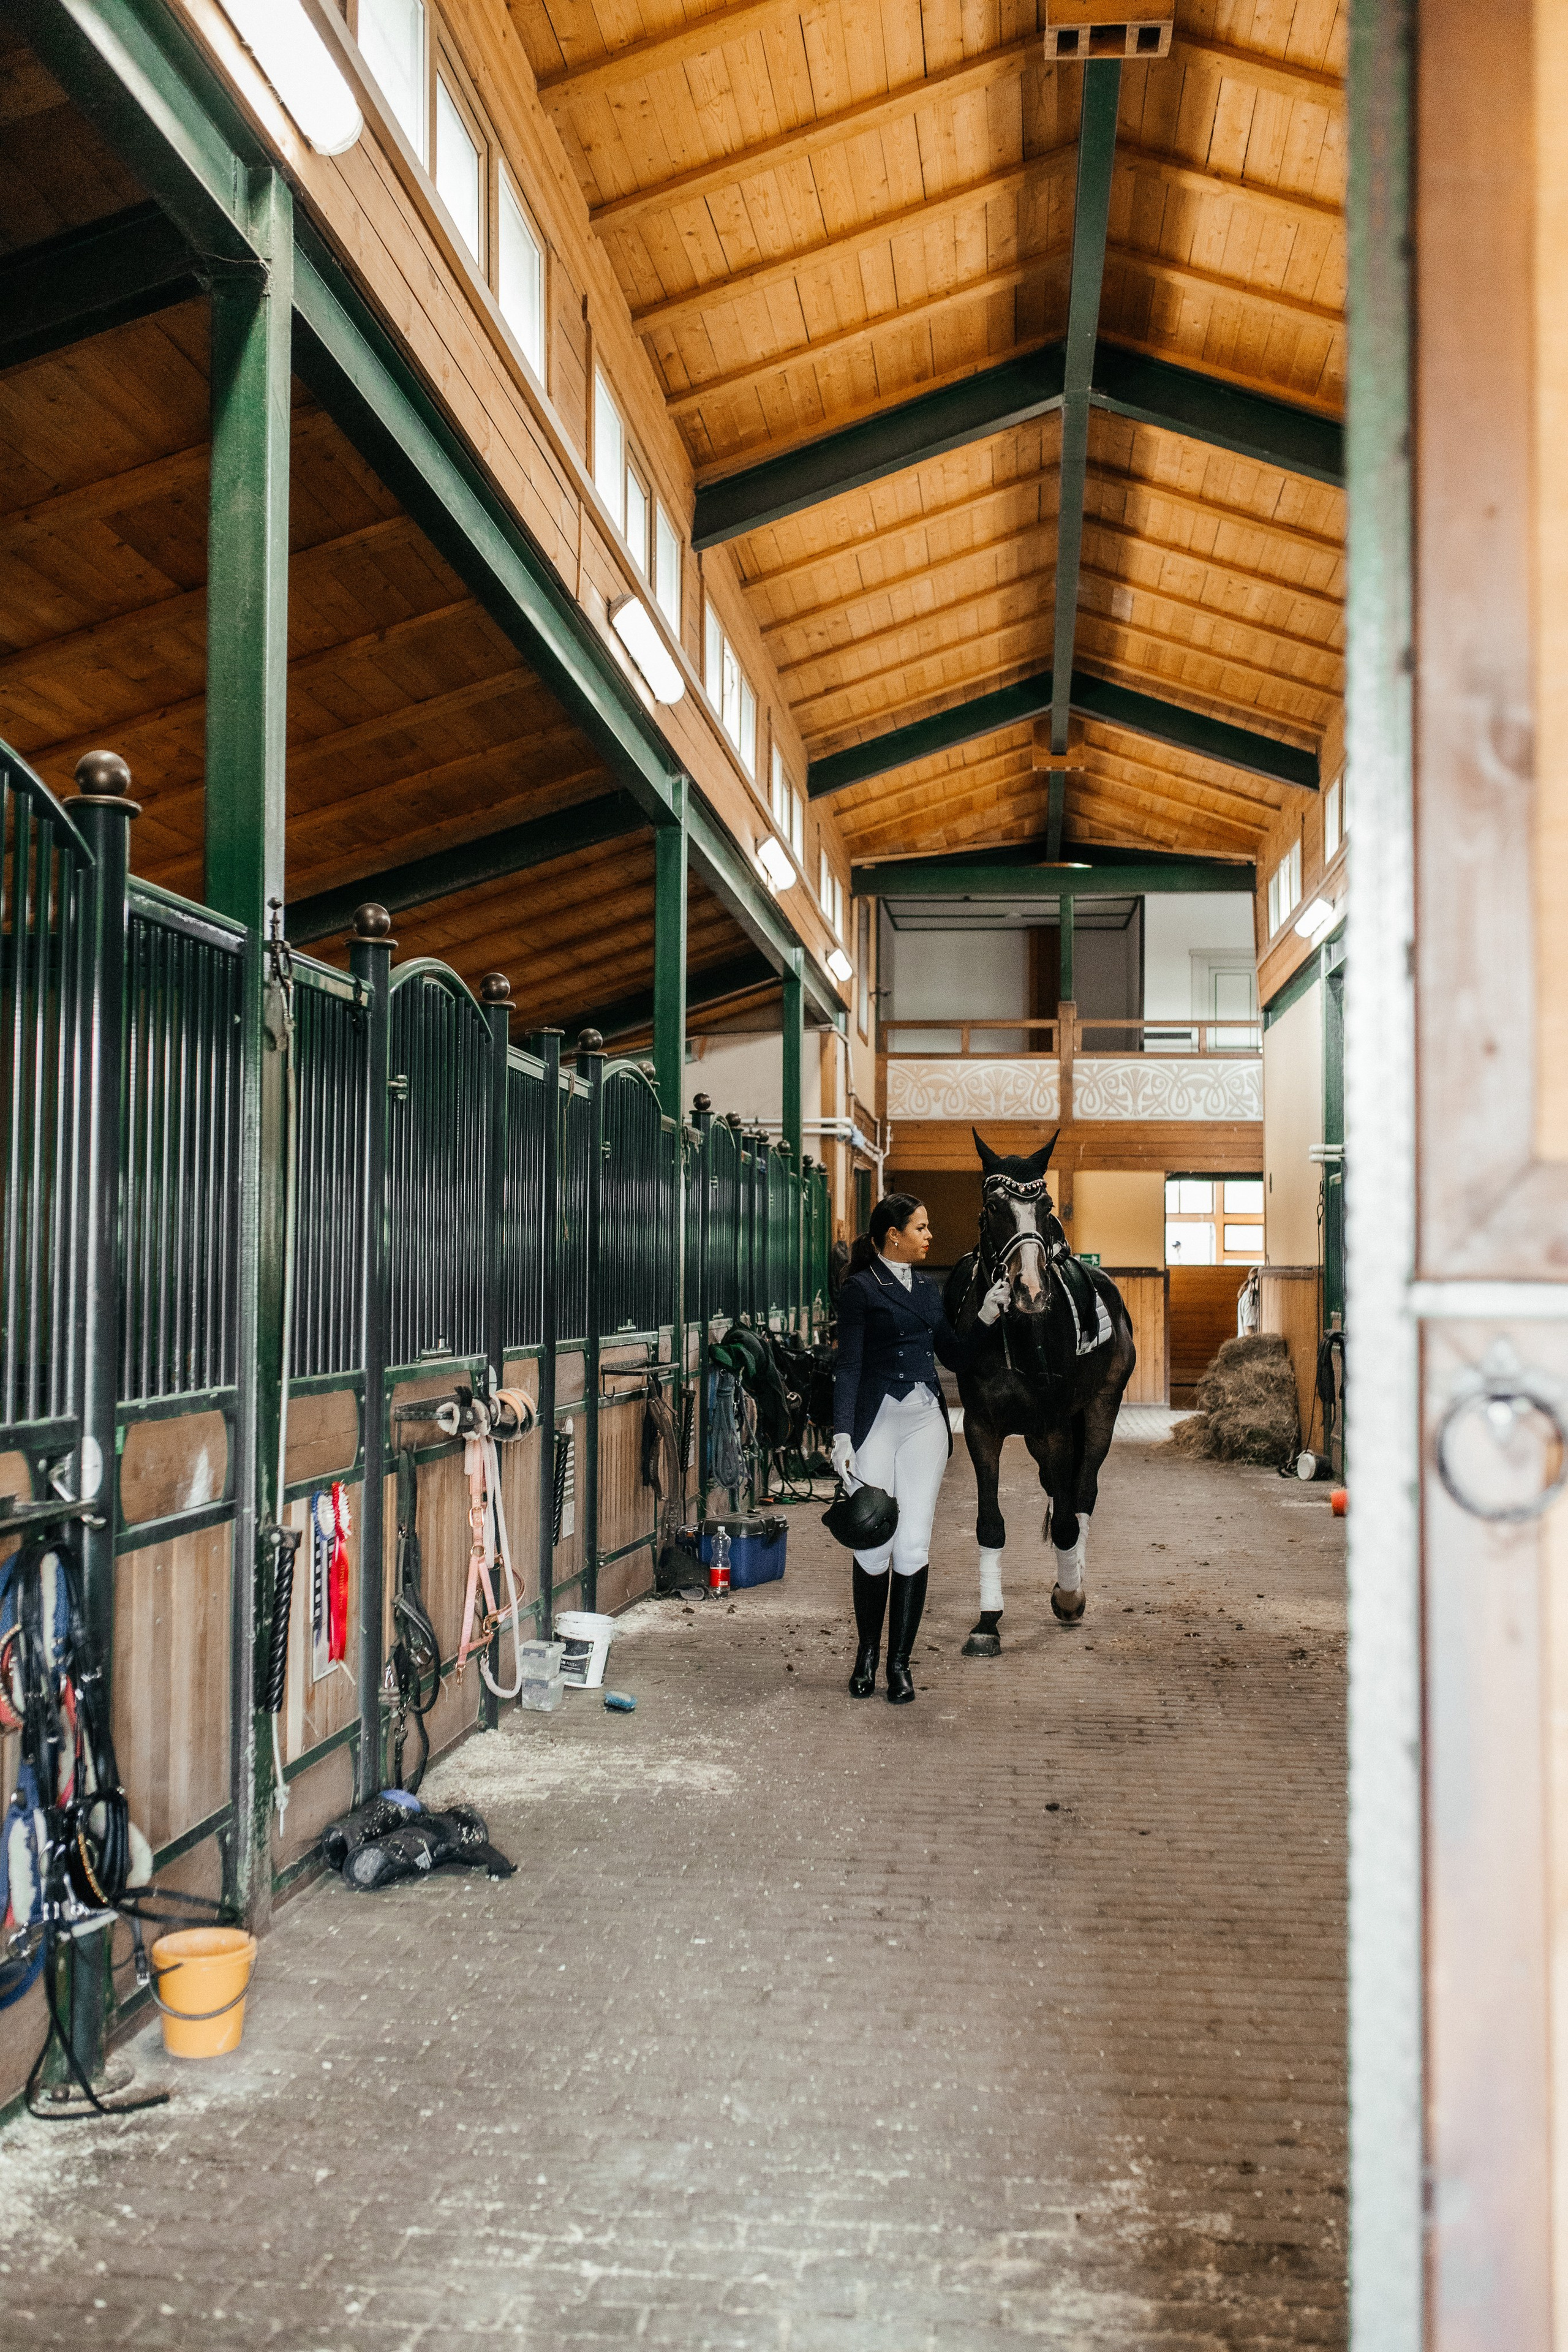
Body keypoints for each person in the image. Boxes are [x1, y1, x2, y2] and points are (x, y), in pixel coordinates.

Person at [832, 1195, 1008, 1703]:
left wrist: (987, 1315)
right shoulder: (861, 1289)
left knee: (912, 1545)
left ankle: (899, 1665)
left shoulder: (928, 1289)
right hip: (876, 1420)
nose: (930, 1236)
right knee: (873, 1543)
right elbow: (849, 1366)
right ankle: (867, 1654)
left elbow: (953, 1355)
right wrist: (842, 1434)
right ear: (894, 1235)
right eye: (921, 1228)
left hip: (925, 1421)